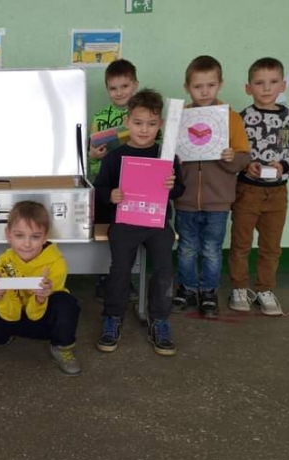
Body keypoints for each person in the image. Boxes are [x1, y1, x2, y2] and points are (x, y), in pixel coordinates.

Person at [94, 89, 185, 356]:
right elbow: (100, 189)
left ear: (160, 124)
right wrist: (111, 195)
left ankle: (159, 319)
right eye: (138, 123)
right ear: (127, 122)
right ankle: (113, 316)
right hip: (124, 222)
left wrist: (171, 186)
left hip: (157, 223)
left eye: (151, 123)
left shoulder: (167, 157)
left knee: (164, 269)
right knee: (120, 269)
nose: (144, 130)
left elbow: (180, 190)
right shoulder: (115, 156)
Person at [228, 57, 289, 315]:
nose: (266, 88)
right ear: (248, 88)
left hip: (277, 193)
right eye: (259, 83)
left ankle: (265, 289)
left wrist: (284, 166)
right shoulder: (241, 119)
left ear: (283, 85)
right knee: (241, 244)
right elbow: (233, 151)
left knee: (271, 246)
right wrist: (246, 165)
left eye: (273, 82)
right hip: (247, 191)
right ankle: (238, 288)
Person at [172, 55, 250, 319]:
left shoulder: (232, 119)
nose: (204, 92)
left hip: (218, 201)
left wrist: (231, 157)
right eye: (197, 86)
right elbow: (168, 156)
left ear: (220, 84)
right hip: (185, 200)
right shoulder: (180, 118)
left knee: (211, 250)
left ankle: (208, 292)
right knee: (186, 248)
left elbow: (244, 159)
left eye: (211, 85)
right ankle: (186, 289)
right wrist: (176, 160)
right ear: (187, 88)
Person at [0, 201, 82, 376]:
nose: (27, 244)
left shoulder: (57, 263)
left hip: (43, 318)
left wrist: (41, 298)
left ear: (45, 237)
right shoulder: (2, 263)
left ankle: (61, 348)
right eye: (19, 235)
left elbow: (35, 315)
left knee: (66, 304)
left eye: (35, 237)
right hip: (15, 313)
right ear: (8, 235)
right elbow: (12, 314)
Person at [88, 58, 140, 302]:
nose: (119, 93)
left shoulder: (144, 116)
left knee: (128, 236)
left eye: (124, 86)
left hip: (133, 187)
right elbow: (90, 156)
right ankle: (103, 278)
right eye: (113, 88)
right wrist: (92, 156)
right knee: (104, 233)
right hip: (105, 185)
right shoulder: (100, 117)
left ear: (135, 85)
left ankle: (125, 278)